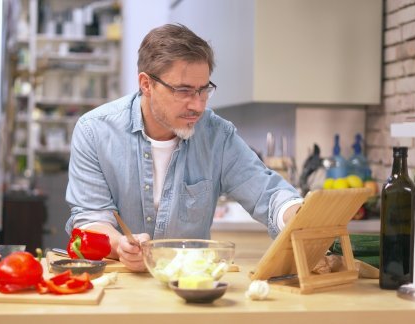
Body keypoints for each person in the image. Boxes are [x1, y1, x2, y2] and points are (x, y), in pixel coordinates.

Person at [65, 23, 303, 271]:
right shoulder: (94, 131)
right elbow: (91, 218)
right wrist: (120, 245)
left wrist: (296, 214)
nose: (198, 106)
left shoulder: (217, 136)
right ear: (146, 84)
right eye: (184, 91)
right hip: (117, 285)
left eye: (203, 91)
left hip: (191, 287)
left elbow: (267, 193)